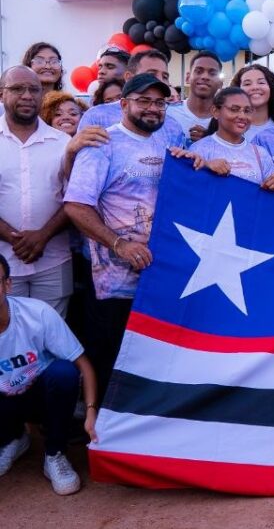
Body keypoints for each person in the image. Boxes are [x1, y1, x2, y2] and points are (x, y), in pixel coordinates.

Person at [64, 73, 184, 399]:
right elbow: (76, 206)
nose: (152, 108)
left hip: (160, 281)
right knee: (111, 367)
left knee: (151, 368)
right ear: (123, 104)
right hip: (114, 286)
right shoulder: (102, 144)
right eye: (143, 100)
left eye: (159, 102)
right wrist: (120, 244)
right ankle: (103, 437)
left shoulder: (168, 144)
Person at [0, 255, 98, 495]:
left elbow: (83, 365)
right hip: (3, 402)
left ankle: (55, 453)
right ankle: (12, 439)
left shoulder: (37, 313)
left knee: (63, 373)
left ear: (7, 285)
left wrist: (91, 411)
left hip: (39, 397)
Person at [0, 66, 72, 317]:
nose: (27, 95)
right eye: (17, 88)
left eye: (34, 89)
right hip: (3, 263)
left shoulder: (63, 143)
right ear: (1, 94)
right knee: (8, 339)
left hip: (53, 260)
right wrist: (13, 238)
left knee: (53, 335)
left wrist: (43, 235)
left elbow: (74, 199)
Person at [181, 87, 274, 189]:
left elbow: (271, 198)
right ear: (215, 111)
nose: (242, 116)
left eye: (247, 110)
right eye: (234, 109)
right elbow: (188, 190)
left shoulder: (260, 154)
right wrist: (206, 167)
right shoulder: (199, 150)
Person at [168, 50, 223, 142]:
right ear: (188, 78)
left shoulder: (227, 119)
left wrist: (210, 140)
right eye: (198, 71)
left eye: (212, 73)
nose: (205, 76)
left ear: (220, 83)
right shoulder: (168, 112)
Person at [230, 63, 274, 142]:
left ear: (271, 87)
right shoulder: (228, 128)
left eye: (261, 82)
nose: (255, 87)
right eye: (247, 84)